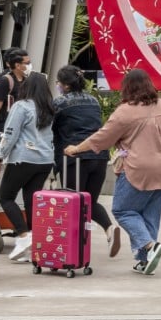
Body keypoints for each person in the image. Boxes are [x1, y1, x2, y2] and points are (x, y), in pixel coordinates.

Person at [65, 68, 161, 275]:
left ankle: (151, 247)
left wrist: (76, 148)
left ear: (127, 87)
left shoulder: (126, 111)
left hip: (138, 167)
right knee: (150, 214)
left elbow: (102, 137)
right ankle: (145, 260)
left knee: (123, 210)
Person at [52, 65, 121, 258]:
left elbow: (48, 127)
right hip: (98, 157)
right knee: (89, 202)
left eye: (59, 82)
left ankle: (72, 249)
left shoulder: (60, 103)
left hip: (74, 157)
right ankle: (109, 229)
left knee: (73, 203)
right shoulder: (93, 101)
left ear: (65, 85)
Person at [0, 71, 55, 262]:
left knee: (6, 197)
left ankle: (23, 235)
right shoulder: (49, 108)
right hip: (44, 160)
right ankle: (33, 248)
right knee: (31, 202)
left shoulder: (21, 106)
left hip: (23, 158)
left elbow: (10, 134)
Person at [0, 47, 31, 143]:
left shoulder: (27, 80)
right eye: (27, 63)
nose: (30, 65)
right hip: (5, 125)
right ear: (17, 65)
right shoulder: (5, 81)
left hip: (21, 126)